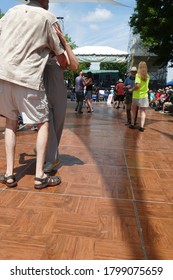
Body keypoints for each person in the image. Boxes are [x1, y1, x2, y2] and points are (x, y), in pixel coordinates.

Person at [0, 0, 68, 189]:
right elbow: (61, 56)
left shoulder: (11, 12)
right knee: (43, 122)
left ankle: (9, 174)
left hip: (3, 76)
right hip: (28, 77)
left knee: (11, 122)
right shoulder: (47, 18)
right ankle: (39, 176)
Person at [43, 27, 79, 173]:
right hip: (42, 95)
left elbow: (74, 66)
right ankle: (52, 159)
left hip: (59, 96)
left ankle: (51, 154)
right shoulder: (41, 52)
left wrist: (64, 42)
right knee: (48, 127)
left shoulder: (61, 55)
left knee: (57, 129)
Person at [129, 61, 150, 132]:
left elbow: (137, 86)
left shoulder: (138, 75)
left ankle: (132, 124)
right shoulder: (148, 76)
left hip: (136, 95)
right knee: (143, 111)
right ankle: (141, 126)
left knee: (133, 110)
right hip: (144, 96)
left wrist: (132, 89)